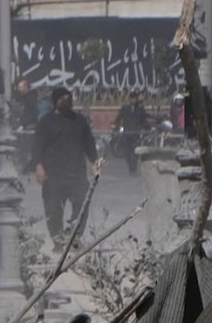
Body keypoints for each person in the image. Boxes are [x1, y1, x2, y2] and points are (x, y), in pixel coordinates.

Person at [31, 87, 98, 241]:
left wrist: (94, 162)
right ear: (56, 101)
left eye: (68, 98)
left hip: (76, 174)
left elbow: (89, 143)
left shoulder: (79, 121)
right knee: (53, 210)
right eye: (62, 98)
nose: (66, 101)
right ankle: (57, 239)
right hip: (53, 175)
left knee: (82, 205)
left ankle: (74, 237)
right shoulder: (46, 122)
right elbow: (37, 146)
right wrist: (39, 166)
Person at [112, 90, 152, 177]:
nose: (134, 100)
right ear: (130, 99)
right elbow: (118, 119)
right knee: (127, 153)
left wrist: (144, 128)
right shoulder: (125, 108)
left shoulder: (140, 109)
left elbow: (144, 121)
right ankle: (130, 167)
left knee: (135, 153)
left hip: (136, 134)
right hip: (127, 134)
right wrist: (115, 126)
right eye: (132, 98)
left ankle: (134, 168)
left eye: (135, 98)